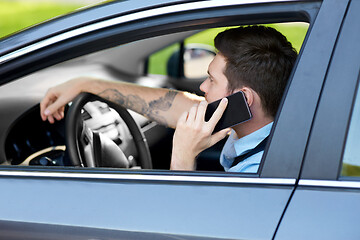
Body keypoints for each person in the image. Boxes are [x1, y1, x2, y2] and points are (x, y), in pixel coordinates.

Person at [40, 25, 297, 172]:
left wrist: (184, 155)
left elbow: (182, 226)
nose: (202, 85)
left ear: (243, 99)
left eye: (212, 80)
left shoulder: (258, 174)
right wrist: (88, 84)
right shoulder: (261, 127)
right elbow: (175, 105)